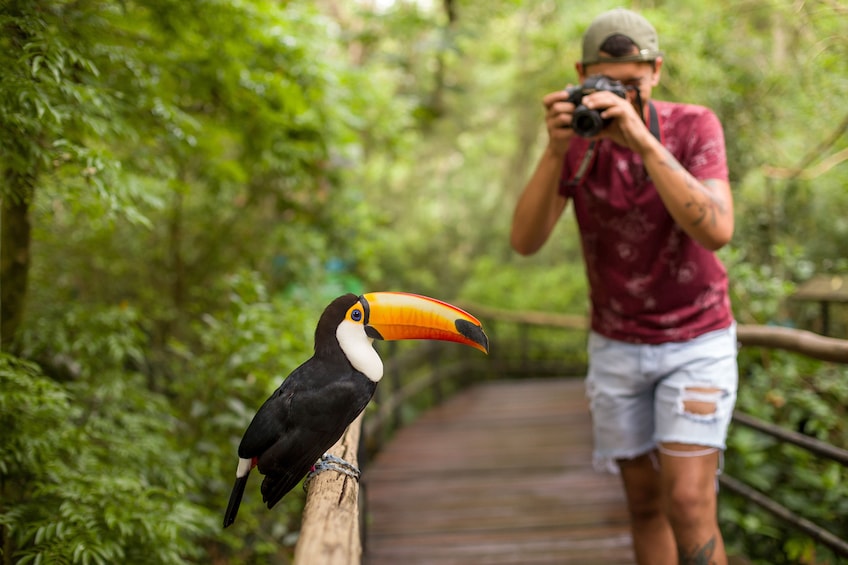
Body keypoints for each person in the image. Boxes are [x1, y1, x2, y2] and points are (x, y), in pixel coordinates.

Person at [510, 8, 738, 565]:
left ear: (657, 72)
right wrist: (554, 149)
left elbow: (718, 230)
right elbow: (524, 240)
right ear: (579, 75)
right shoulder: (576, 140)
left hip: (696, 340)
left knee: (687, 500)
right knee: (642, 502)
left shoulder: (693, 125)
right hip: (616, 345)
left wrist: (642, 142)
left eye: (632, 84)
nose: (619, 98)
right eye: (603, 84)